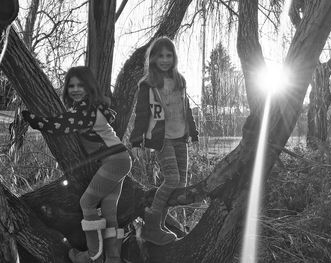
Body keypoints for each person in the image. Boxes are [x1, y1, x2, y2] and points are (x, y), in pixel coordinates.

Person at [22, 66, 131, 263]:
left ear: (89, 87)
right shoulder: (88, 110)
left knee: (86, 203)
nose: (75, 89)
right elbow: (66, 121)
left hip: (114, 161)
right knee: (109, 211)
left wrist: (32, 119)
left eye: (80, 85)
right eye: (71, 85)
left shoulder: (84, 112)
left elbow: (57, 125)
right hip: (120, 159)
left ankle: (93, 256)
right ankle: (113, 259)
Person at [129, 36, 199, 245]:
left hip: (181, 137)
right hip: (162, 139)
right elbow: (141, 114)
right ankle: (151, 227)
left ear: (174, 58)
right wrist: (135, 141)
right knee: (172, 179)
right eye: (160, 56)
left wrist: (193, 133)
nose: (165, 60)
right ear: (153, 58)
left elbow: (186, 110)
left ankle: (159, 225)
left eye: (169, 55)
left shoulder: (180, 81)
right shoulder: (148, 85)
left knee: (181, 184)